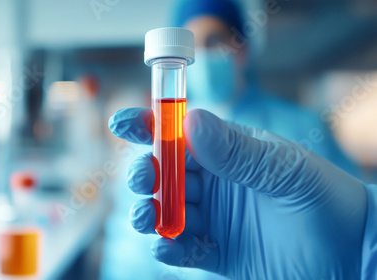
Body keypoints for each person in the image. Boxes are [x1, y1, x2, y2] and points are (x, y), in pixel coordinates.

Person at [108, 107, 376, 279]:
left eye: (215, 41)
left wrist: (361, 235)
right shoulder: (170, 139)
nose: (207, 54)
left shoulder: (301, 122)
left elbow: (346, 184)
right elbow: (129, 255)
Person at [173, 0, 357, 175]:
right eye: (190, 46)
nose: (202, 55)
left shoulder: (303, 127)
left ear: (242, 48)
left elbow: (352, 198)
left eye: (214, 41)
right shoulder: (170, 134)